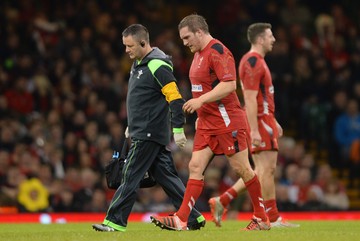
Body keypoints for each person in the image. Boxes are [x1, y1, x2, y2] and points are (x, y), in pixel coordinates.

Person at [150, 14, 270, 231]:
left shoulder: (218, 52)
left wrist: (199, 102)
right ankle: (181, 219)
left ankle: (261, 217)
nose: (184, 43)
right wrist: (201, 115)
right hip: (207, 123)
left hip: (228, 120)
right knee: (195, 166)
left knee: (242, 169)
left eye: (187, 37)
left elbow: (229, 85)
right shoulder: (197, 55)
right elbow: (203, 88)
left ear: (199, 31)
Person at [92, 24, 205, 232]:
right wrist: (131, 125)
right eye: (125, 46)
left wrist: (178, 129)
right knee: (167, 178)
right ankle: (192, 217)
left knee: (130, 175)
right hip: (144, 129)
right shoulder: (139, 63)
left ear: (143, 43)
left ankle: (114, 222)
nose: (126, 50)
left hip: (148, 132)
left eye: (130, 46)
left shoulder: (157, 65)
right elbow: (144, 99)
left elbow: (175, 98)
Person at [208, 23, 299, 228]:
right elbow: (249, 99)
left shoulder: (258, 61)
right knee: (266, 170)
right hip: (257, 121)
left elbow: (261, 97)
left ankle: (223, 200)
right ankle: (272, 218)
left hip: (264, 119)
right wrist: (256, 129)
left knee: (262, 169)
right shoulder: (251, 61)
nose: (273, 39)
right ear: (260, 39)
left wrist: (272, 119)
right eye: (270, 36)